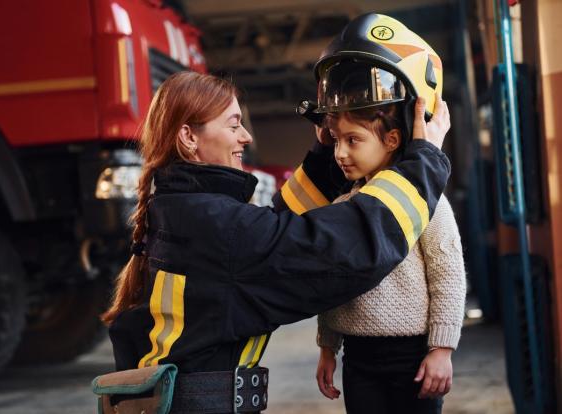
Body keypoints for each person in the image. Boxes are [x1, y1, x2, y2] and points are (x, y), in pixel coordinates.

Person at [101, 22, 451, 408]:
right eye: (234, 125)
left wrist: (327, 160)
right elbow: (340, 252)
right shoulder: (214, 225)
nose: (247, 137)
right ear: (188, 138)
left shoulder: (186, 210)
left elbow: (274, 232)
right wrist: (424, 164)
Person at [309, 13, 465, 414]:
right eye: (337, 140)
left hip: (413, 358)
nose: (340, 153)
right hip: (358, 359)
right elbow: (335, 281)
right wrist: (329, 346)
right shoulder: (345, 206)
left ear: (393, 138)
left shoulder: (427, 203)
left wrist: (442, 349)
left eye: (354, 140)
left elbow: (448, 276)